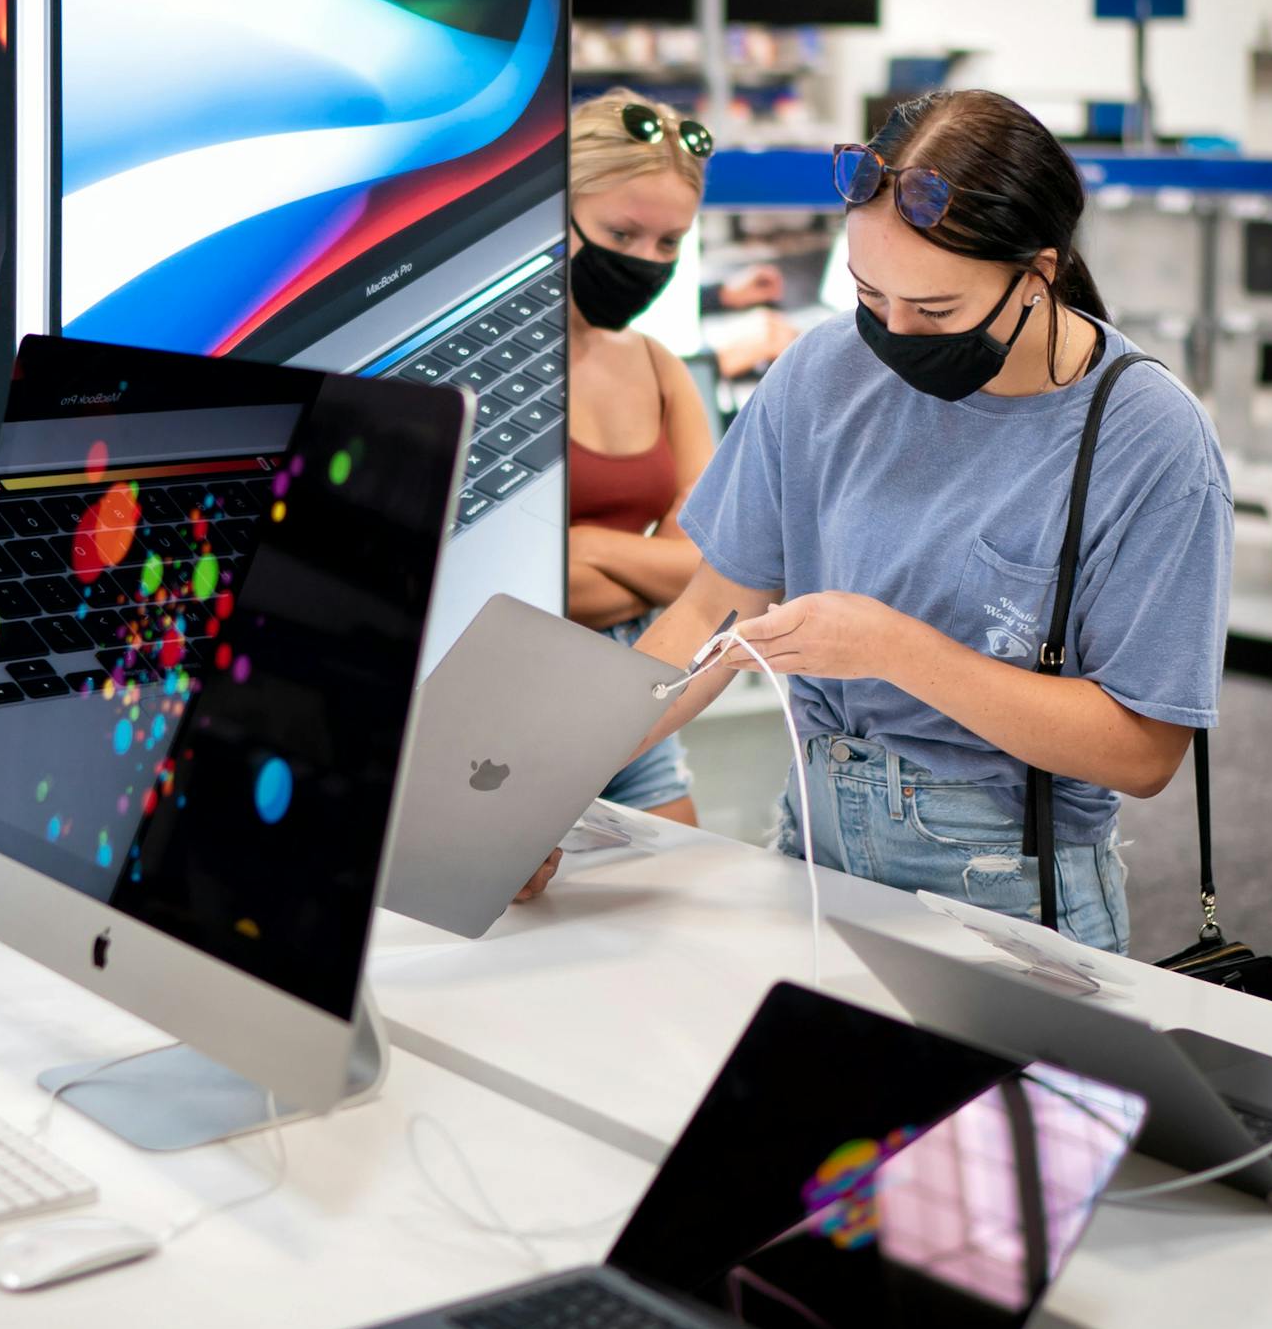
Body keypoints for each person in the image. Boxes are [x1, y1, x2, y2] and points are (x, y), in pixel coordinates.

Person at [523, 90, 1232, 948]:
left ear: (1037, 276)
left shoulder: (1145, 439)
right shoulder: (825, 369)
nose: (891, 335)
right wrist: (544, 789)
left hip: (1009, 899)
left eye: (934, 312)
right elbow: (710, 617)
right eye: (868, 294)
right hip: (810, 859)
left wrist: (892, 650)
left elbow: (1144, 750)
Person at [566, 89, 718, 826]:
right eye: (620, 234)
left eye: (667, 245)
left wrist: (588, 545)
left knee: (674, 903)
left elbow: (718, 567)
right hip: (506, 680)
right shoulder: (489, 367)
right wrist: (655, 570)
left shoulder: (660, 367)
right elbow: (513, 583)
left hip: (637, 674)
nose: (644, 262)